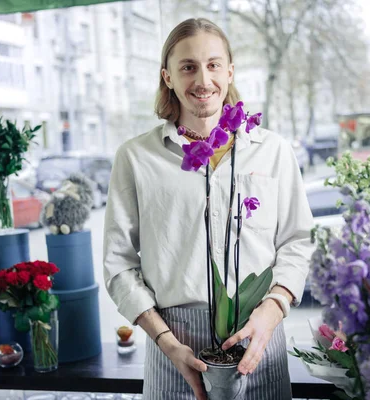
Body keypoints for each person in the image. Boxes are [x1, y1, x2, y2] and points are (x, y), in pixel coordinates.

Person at [103, 17, 313, 400]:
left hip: (260, 339)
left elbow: (298, 241)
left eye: (214, 64)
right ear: (167, 76)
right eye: (188, 67)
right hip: (173, 346)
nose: (203, 79)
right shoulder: (135, 158)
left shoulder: (274, 150)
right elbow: (118, 264)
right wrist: (165, 340)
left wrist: (272, 310)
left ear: (230, 72)